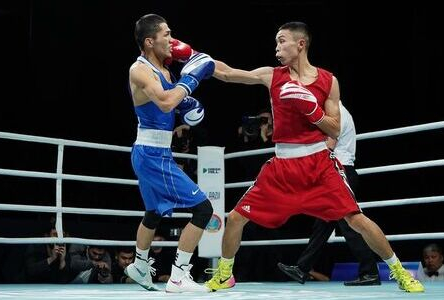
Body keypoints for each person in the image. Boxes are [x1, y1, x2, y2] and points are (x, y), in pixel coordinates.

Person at [169, 21, 423, 293]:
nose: (277, 48)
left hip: (319, 165)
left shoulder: (328, 80)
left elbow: (335, 128)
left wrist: (311, 109)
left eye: (282, 41)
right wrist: (194, 55)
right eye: (276, 42)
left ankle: (400, 273)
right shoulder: (272, 75)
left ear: (300, 44)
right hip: (281, 167)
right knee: (236, 218)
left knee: (356, 219)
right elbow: (230, 74)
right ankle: (224, 275)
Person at [124, 13, 215, 293]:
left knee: (153, 213)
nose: (172, 39)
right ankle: (179, 276)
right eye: (166, 34)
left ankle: (139, 265)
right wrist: (188, 83)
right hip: (151, 153)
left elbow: (172, 104)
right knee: (203, 209)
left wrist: (186, 103)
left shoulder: (165, 68)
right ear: (149, 41)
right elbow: (164, 103)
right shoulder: (139, 70)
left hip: (156, 150)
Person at [277, 101, 381, 286]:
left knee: (350, 225)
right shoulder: (336, 110)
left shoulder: (334, 113)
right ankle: (302, 268)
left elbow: (328, 145)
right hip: (338, 171)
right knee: (323, 224)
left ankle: (370, 272)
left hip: (339, 171)